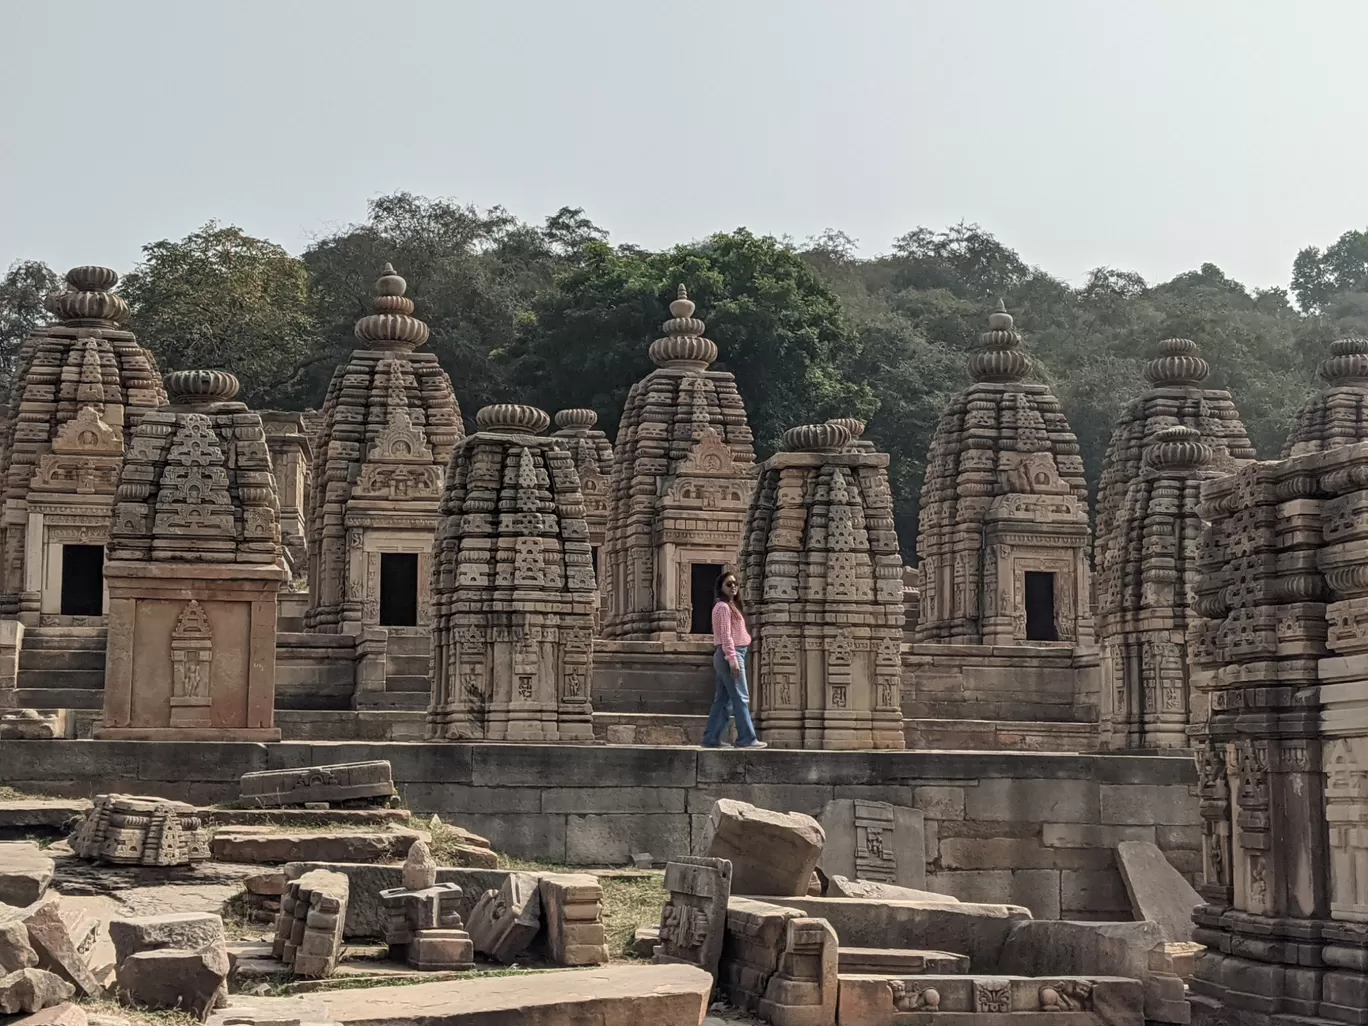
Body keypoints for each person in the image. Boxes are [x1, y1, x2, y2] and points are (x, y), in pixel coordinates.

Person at [702, 570, 767, 750]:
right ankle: (746, 738)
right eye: (728, 584)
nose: (733, 587)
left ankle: (711, 738)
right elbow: (726, 636)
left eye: (735, 584)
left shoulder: (730, 606)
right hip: (730, 654)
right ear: (720, 588)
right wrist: (733, 660)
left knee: (723, 700)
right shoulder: (722, 607)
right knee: (740, 697)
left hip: (731, 653)